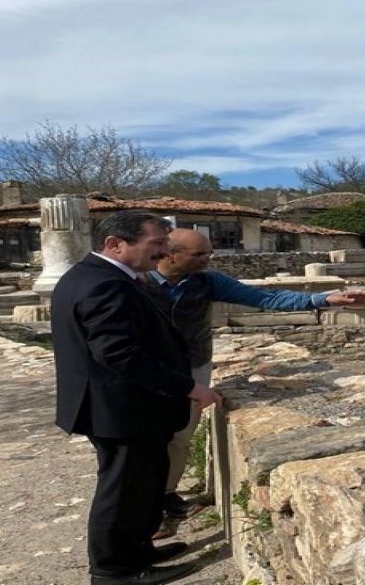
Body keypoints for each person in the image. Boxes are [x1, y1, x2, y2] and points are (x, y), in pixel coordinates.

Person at [143, 228, 365, 537]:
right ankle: (141, 508)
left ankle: (166, 498)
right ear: (170, 254)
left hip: (192, 367)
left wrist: (324, 298)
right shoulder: (137, 281)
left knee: (179, 437)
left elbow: (265, 297)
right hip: (146, 370)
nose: (208, 260)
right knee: (142, 440)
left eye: (209, 252)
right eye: (199, 254)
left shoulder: (207, 281)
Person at [53, 211, 221, 585]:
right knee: (122, 490)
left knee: (142, 484)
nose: (163, 253)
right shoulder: (106, 285)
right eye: (156, 245)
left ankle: (139, 550)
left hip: (126, 408)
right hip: (120, 409)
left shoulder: (97, 276)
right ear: (116, 244)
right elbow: (119, 354)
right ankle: (114, 571)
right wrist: (190, 387)